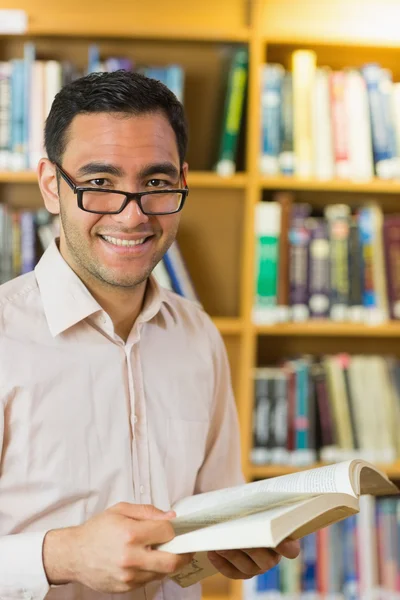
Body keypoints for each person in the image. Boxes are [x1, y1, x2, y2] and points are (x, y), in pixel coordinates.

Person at [0, 70, 300, 600]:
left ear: (182, 180)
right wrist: (62, 555)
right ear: (52, 185)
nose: (132, 213)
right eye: (99, 184)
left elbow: (212, 514)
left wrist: (235, 543)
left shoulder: (198, 336)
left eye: (156, 184)